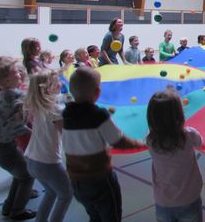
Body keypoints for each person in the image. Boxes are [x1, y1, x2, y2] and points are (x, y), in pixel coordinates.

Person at [62, 67, 145, 222]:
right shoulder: (98, 115)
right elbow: (119, 141)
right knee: (111, 216)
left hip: (76, 181)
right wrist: (140, 143)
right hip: (99, 179)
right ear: (97, 92)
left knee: (94, 215)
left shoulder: (67, 114)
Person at [146, 90, 203, 222]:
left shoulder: (150, 140)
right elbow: (200, 142)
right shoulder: (188, 135)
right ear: (179, 115)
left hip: (163, 201)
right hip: (189, 199)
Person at [24, 69, 72, 222]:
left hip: (31, 160)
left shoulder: (38, 106)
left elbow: (60, 100)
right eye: (57, 80)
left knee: (51, 192)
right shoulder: (56, 110)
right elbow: (66, 136)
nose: (60, 82)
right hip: (47, 162)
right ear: (49, 87)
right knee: (66, 194)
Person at [0, 56, 36, 220]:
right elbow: (25, 102)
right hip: (4, 147)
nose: (20, 73)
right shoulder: (12, 94)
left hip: (5, 145)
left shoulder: (5, 94)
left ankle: (8, 207)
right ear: (6, 80)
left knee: (19, 174)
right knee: (27, 175)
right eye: (15, 72)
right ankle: (17, 210)